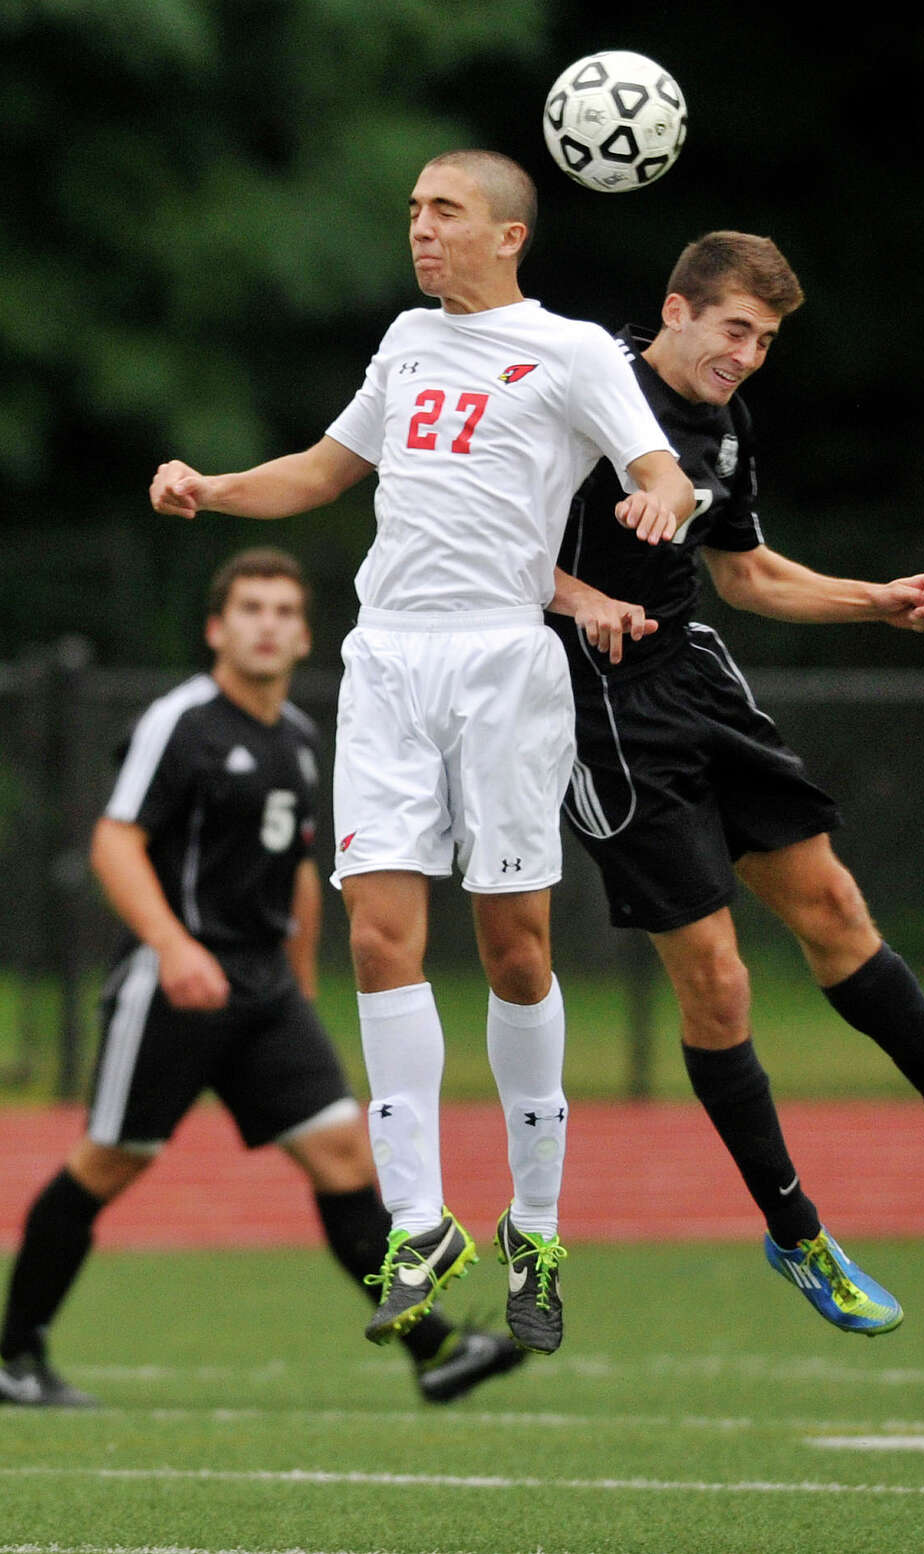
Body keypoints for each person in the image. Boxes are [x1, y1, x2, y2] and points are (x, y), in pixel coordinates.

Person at [148, 151, 694, 1356]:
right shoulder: (402, 342)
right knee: (380, 932)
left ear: (509, 234)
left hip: (503, 661)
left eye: (444, 212)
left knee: (514, 948)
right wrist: (214, 485)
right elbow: (324, 470)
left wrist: (661, 499)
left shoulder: (573, 352)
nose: (421, 231)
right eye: (412, 212)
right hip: (387, 658)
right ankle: (417, 1217)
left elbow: (657, 466)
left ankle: (536, 1224)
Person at [551, 230, 924, 1336]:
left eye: (765, 339)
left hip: (692, 675)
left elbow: (744, 572)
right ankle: (798, 1233)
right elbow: (480, 543)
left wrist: (874, 599)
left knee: (836, 905)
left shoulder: (723, 425)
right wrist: (579, 598)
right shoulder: (580, 387)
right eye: (734, 330)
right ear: (675, 309)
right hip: (597, 707)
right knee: (716, 978)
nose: (748, 355)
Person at [0, 548, 527, 1407]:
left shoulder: (303, 740)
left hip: (266, 989)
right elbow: (114, 843)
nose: (267, 623)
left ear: (305, 633)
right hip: (174, 986)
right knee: (109, 1162)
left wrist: (300, 983)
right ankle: (14, 1357)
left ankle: (435, 1349)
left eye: (283, 610)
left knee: (344, 1153)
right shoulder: (181, 722)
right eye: (250, 608)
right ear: (216, 628)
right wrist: (174, 946)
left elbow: (300, 871)